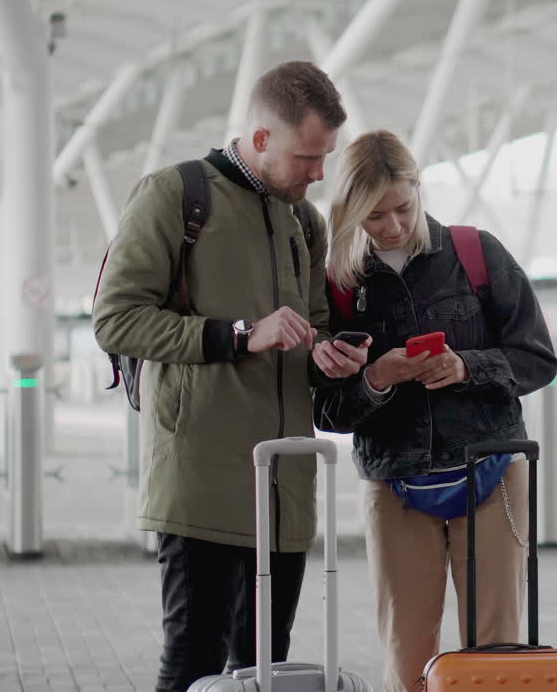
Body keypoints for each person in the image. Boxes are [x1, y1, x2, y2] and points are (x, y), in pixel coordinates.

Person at [93, 61, 368, 691]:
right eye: (308, 157)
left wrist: (327, 353)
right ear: (263, 138)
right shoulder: (175, 195)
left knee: (266, 669)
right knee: (193, 660)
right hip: (201, 485)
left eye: (325, 156)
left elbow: (314, 324)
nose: (319, 173)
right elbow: (117, 319)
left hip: (285, 489)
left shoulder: (307, 222)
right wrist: (241, 333)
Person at [312, 129, 557, 692]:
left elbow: (538, 359)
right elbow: (327, 408)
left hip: (491, 470)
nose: (393, 226)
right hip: (394, 481)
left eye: (403, 207)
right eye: (374, 216)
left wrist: (466, 367)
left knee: (495, 648)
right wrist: (377, 377)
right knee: (407, 651)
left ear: (419, 190)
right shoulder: (338, 284)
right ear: (349, 211)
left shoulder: (476, 253)